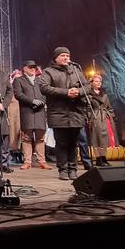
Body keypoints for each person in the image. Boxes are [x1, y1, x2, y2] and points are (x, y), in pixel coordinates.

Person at [38, 47, 91, 180]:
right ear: (56, 57)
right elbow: (44, 87)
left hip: (76, 112)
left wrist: (78, 91)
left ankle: (72, 169)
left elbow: (88, 86)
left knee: (74, 142)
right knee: (61, 142)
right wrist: (65, 92)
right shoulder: (48, 71)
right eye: (63, 55)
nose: (66, 57)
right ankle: (62, 168)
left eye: (68, 55)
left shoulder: (76, 70)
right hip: (58, 112)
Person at [13, 60, 52, 170]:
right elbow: (18, 94)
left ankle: (42, 161)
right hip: (27, 112)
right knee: (26, 138)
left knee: (40, 138)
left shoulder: (40, 81)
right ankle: (27, 162)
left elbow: (46, 93)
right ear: (24, 68)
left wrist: (41, 102)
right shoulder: (18, 80)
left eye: (34, 67)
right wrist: (32, 101)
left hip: (39, 112)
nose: (33, 69)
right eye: (30, 67)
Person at [87, 74, 117, 167]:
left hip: (105, 118)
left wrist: (111, 116)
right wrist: (89, 117)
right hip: (95, 117)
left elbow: (109, 107)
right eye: (96, 81)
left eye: (100, 81)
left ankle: (104, 158)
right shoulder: (89, 95)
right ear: (91, 83)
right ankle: (98, 159)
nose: (98, 83)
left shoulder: (104, 94)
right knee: (96, 139)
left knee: (104, 140)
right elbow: (87, 108)